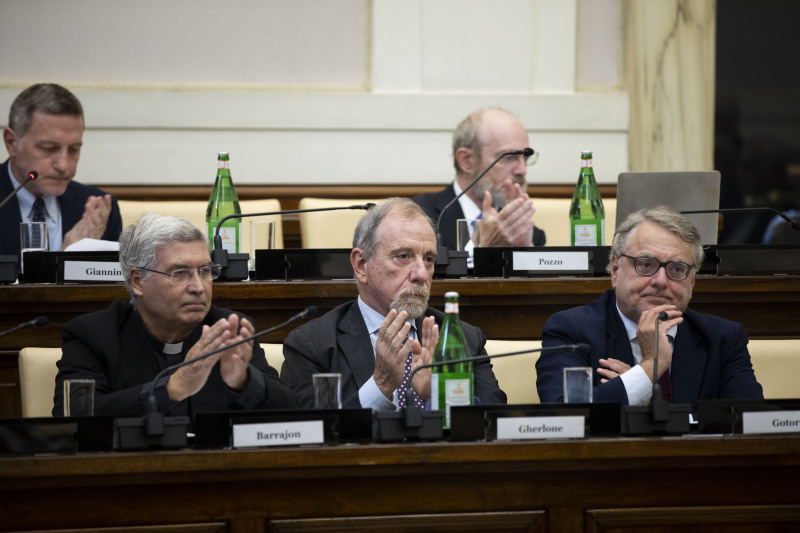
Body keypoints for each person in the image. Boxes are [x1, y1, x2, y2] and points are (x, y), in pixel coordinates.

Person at [53, 213, 296, 419]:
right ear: (138, 281)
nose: (199, 287)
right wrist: (172, 388)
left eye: (205, 271)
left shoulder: (227, 329)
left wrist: (244, 381)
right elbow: (75, 416)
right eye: (180, 273)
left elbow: (292, 413)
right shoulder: (93, 334)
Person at [281, 197, 506, 409]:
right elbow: (316, 433)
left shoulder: (463, 339)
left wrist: (437, 398)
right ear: (361, 265)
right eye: (403, 256)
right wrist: (380, 386)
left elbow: (493, 422)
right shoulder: (314, 346)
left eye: (429, 259)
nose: (421, 274)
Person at [536, 205, 763, 410]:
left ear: (692, 281)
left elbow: (751, 423)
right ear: (615, 270)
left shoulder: (723, 338)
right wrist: (650, 368)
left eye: (676, 269)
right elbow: (566, 414)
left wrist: (639, 391)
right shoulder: (572, 331)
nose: (661, 281)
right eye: (646, 265)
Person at [1, 83, 122, 266]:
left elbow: (116, 293)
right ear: (11, 143)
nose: (63, 165)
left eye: (73, 150)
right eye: (49, 148)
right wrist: (65, 262)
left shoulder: (98, 210)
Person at [413, 108, 545, 256]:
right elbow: (423, 275)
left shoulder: (525, 232)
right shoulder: (419, 217)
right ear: (466, 161)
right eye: (509, 157)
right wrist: (482, 248)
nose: (522, 170)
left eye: (525, 158)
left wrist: (526, 250)